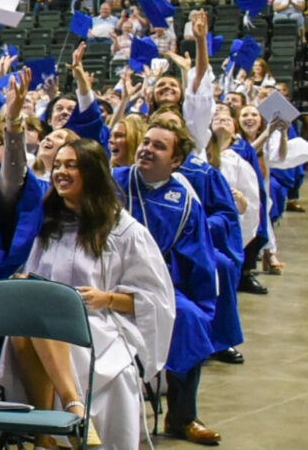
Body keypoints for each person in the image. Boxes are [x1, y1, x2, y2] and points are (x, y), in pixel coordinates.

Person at [0, 136, 174, 450]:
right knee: (31, 321)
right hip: (45, 327)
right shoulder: (48, 225)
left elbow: (155, 299)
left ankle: (52, 429)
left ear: (91, 173)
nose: (60, 172)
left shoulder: (123, 231)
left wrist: (106, 298)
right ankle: (68, 413)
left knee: (38, 319)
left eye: (71, 166)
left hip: (100, 324)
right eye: (58, 165)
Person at [115, 118, 223, 445]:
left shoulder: (185, 201)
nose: (147, 149)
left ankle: (182, 416)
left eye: (159, 146)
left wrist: (202, 304)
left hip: (155, 284)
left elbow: (198, 259)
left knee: (189, 319)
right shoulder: (112, 182)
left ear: (176, 162)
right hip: (103, 278)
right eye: (146, 142)